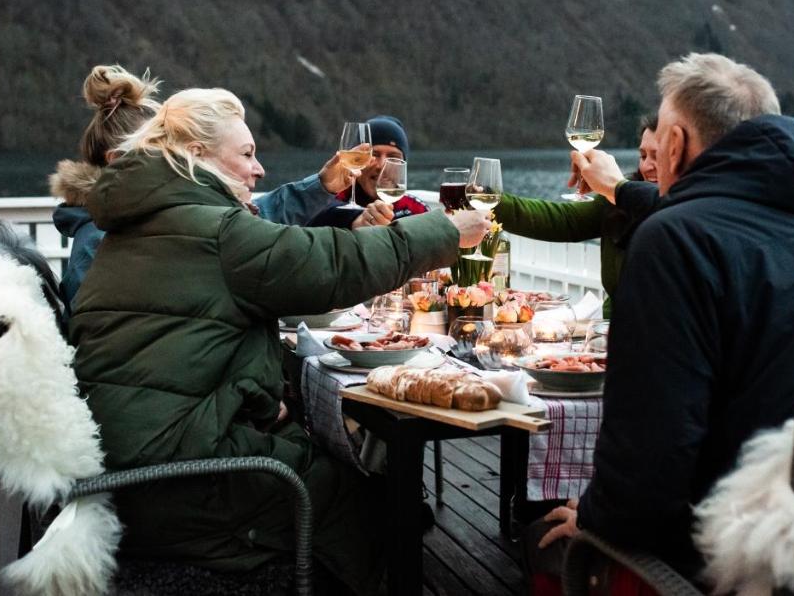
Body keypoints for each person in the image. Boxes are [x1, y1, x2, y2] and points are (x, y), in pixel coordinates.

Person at [69, 87, 490, 595]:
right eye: (247, 154)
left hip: (127, 465)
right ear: (197, 156)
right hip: (179, 483)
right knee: (368, 501)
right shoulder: (214, 229)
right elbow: (333, 264)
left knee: (350, 472)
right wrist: (443, 231)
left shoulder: (140, 224)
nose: (259, 168)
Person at [533, 53, 794, 581]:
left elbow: (644, 481)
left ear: (675, 145)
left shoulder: (675, 240)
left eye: (657, 136)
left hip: (737, 555)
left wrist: (592, 515)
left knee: (537, 542)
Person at [50, 65, 372, 308]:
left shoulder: (160, 214)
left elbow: (256, 216)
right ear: (118, 161)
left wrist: (321, 185)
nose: (181, 166)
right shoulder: (98, 242)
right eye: (164, 154)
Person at [494, 115, 660, 318]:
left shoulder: (688, 215)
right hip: (611, 333)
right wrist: (487, 200)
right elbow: (564, 220)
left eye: (657, 157)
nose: (647, 166)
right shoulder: (616, 201)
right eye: (643, 156)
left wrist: (616, 187)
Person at [309, 115, 430, 228]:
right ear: (356, 159)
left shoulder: (416, 209)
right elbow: (312, 216)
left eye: (393, 157)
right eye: (374, 154)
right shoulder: (330, 199)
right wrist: (357, 219)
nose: (382, 165)